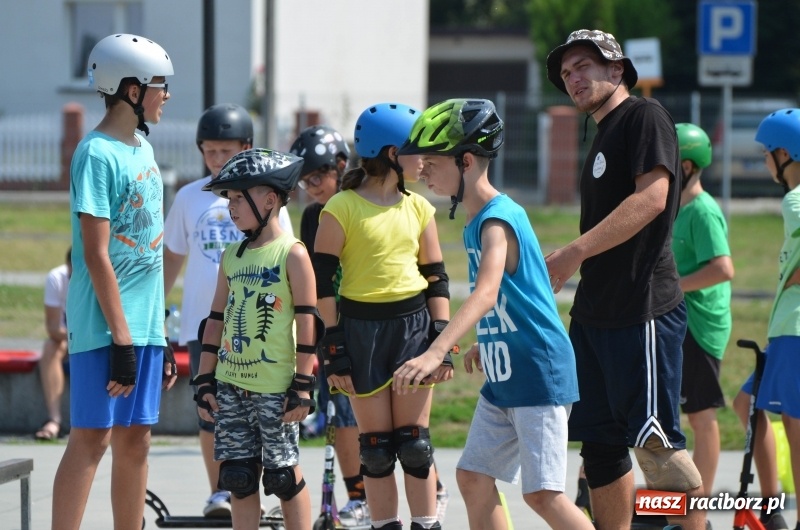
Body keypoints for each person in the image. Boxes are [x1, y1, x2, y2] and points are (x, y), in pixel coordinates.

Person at [392, 98, 593, 530]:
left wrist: (436, 351)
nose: (422, 169)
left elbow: (485, 292)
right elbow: (511, 296)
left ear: (466, 161)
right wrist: (489, 338)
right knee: (474, 476)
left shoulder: (497, 219)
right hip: (506, 375)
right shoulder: (476, 219)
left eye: (431, 160)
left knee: (543, 495)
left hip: (538, 374)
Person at [543, 29, 706, 530]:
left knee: (657, 451)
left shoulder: (645, 116)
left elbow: (652, 199)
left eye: (584, 66)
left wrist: (572, 253)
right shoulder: (601, 131)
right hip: (596, 314)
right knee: (601, 453)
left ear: (617, 70)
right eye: (567, 72)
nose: (574, 77)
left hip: (643, 309)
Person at [52, 33, 178, 530]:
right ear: (131, 90)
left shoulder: (142, 149)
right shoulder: (96, 154)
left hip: (143, 325)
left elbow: (150, 255)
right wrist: (122, 339)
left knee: (136, 437)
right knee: (92, 437)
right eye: (159, 86)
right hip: (105, 326)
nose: (166, 96)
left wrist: (157, 334)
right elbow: (95, 253)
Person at [313, 102, 454, 530]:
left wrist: (441, 340)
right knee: (375, 449)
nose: (425, 160)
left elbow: (436, 277)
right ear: (393, 154)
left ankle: (427, 523)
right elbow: (321, 282)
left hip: (413, 329)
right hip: (361, 332)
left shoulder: (418, 208)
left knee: (414, 445)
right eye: (417, 150)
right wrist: (332, 344)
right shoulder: (341, 207)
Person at [163, 103, 293, 518]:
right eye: (210, 151)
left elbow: (286, 261)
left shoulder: (270, 201)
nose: (217, 160)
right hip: (206, 321)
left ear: (247, 147)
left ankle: (269, 487)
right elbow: (171, 260)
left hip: (259, 323)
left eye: (226, 151)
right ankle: (221, 490)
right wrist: (156, 317)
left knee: (260, 414)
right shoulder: (189, 197)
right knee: (211, 413)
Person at [194, 148, 320, 530]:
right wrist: (203, 379)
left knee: (282, 476)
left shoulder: (292, 254)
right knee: (238, 477)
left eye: (238, 198)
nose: (231, 207)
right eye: (229, 199)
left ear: (269, 200)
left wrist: (303, 383)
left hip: (275, 389)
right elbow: (215, 320)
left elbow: (308, 321)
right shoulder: (232, 255)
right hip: (231, 385)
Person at [290, 124, 372, 526]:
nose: (311, 187)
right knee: (339, 415)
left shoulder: (361, 205)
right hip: (331, 327)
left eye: (317, 177)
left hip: (368, 325)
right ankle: (359, 495)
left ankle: (431, 487)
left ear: (341, 165)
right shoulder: (311, 216)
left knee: (376, 418)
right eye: (304, 180)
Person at [732, 108, 800, 530]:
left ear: (786, 153)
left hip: (794, 329)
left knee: (795, 430)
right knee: (746, 403)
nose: (763, 161)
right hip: (785, 331)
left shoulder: (794, 200)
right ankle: (772, 508)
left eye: (766, 152)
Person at [673, 123, 735, 497]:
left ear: (688, 166)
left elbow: (723, 268)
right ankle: (677, 503)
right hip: (680, 322)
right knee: (675, 416)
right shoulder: (676, 208)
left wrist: (672, 287)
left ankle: (700, 505)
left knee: (700, 415)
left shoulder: (702, 211)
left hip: (701, 325)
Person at [34, 246, 72, 441]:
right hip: (69, 340)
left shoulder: (101, 276)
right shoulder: (57, 278)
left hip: (97, 339)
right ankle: (54, 420)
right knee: (50, 347)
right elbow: (53, 328)